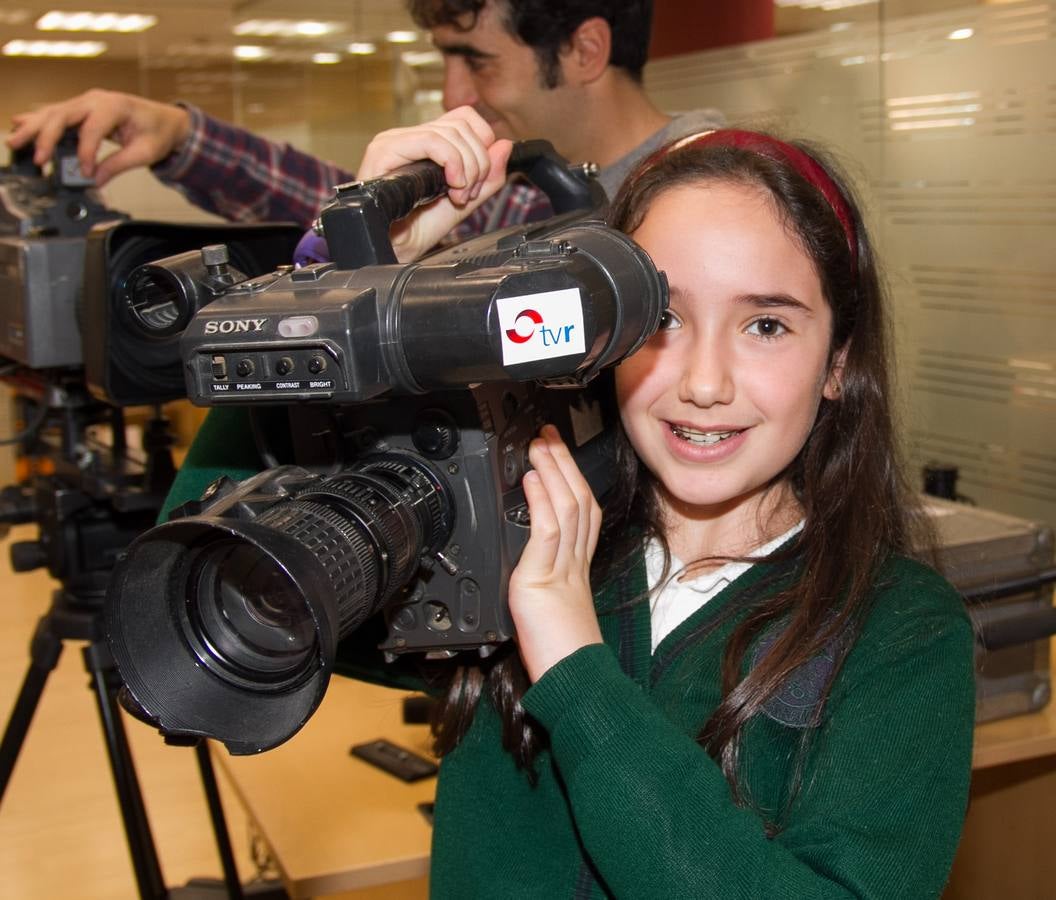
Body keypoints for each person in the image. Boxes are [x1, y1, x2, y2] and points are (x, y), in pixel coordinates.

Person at [164, 108, 978, 897]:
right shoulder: (506, 534)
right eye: (662, 316)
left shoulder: (900, 633)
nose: (703, 383)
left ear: (838, 360)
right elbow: (204, 578)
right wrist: (340, 300)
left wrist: (574, 668)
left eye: (765, 325)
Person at [4, 0, 723, 237]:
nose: (452, 93)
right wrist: (183, 137)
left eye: (475, 60)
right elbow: (359, 213)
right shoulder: (527, 190)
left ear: (585, 50)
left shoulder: (712, 189)